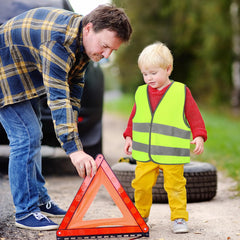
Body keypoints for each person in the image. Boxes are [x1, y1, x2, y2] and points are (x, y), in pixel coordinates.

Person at [0, 5, 132, 230]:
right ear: (89, 29)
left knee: (35, 134)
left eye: (113, 50)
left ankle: (40, 201)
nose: (107, 55)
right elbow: (58, 98)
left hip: (23, 71)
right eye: (105, 46)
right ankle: (25, 212)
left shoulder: (83, 43)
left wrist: (77, 145)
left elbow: (73, 96)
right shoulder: (59, 42)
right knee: (25, 136)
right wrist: (73, 150)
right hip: (5, 69)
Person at [123, 42, 207, 234]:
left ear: (168, 69)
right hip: (145, 154)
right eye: (145, 74)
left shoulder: (180, 91)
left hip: (172, 154)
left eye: (153, 73)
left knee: (175, 187)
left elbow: (194, 116)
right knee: (141, 186)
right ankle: (140, 216)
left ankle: (179, 218)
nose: (148, 78)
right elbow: (134, 117)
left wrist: (199, 135)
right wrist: (129, 136)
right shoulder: (140, 92)